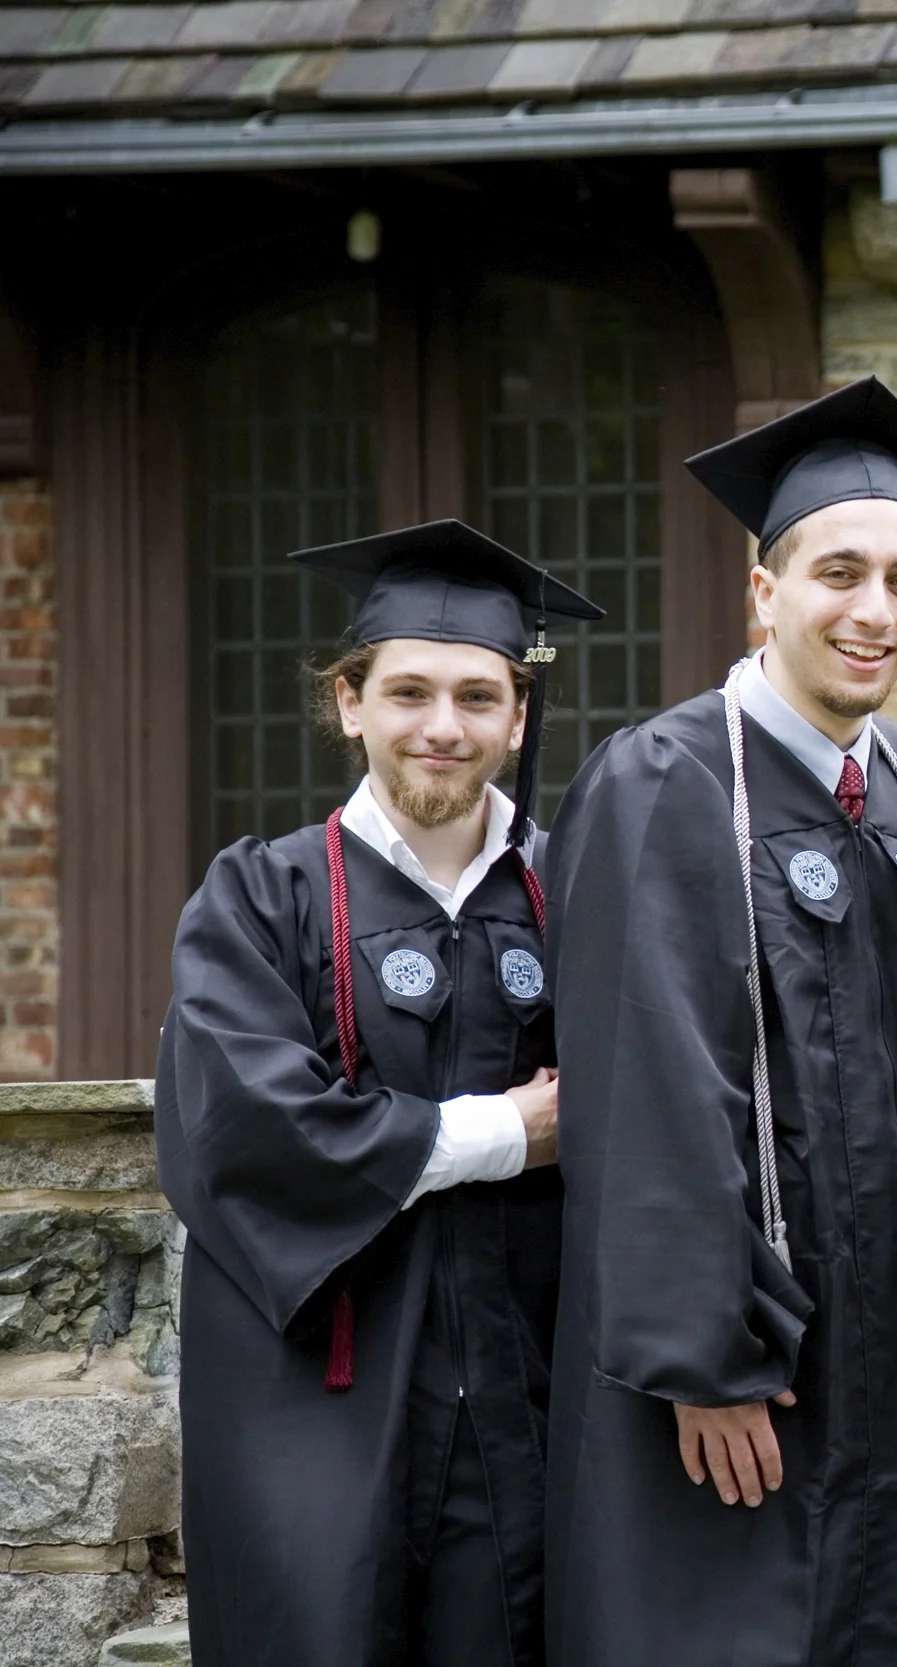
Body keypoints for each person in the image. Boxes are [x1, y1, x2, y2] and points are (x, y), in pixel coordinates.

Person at [542, 378, 897, 1667]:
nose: (878, 612)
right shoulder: (666, 780)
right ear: (765, 590)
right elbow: (648, 1081)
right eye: (841, 573)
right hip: (766, 1363)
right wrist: (706, 1354)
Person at [157, 521, 601, 1667]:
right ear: (349, 701)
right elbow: (245, 1132)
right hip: (322, 1402)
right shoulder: (262, 896)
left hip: (536, 1397)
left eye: (475, 694)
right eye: (408, 691)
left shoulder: (585, 889)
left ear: (517, 712)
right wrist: (512, 1128)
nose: (441, 727)